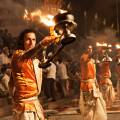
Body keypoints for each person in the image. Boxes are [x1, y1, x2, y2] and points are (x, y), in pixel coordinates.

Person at [8, 28, 57, 120]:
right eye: (28, 39)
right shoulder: (17, 55)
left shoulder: (34, 60)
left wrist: (43, 49)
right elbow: (26, 55)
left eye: (34, 40)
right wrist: (41, 44)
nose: (31, 42)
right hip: (24, 106)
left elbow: (11, 81)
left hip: (35, 102)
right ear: (22, 42)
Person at [79, 45, 107, 120]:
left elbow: (94, 72)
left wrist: (96, 82)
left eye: (91, 48)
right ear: (84, 49)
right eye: (88, 48)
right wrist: (97, 50)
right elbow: (89, 56)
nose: (90, 50)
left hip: (93, 83)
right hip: (87, 84)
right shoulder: (83, 57)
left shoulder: (92, 60)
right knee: (89, 103)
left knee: (97, 102)